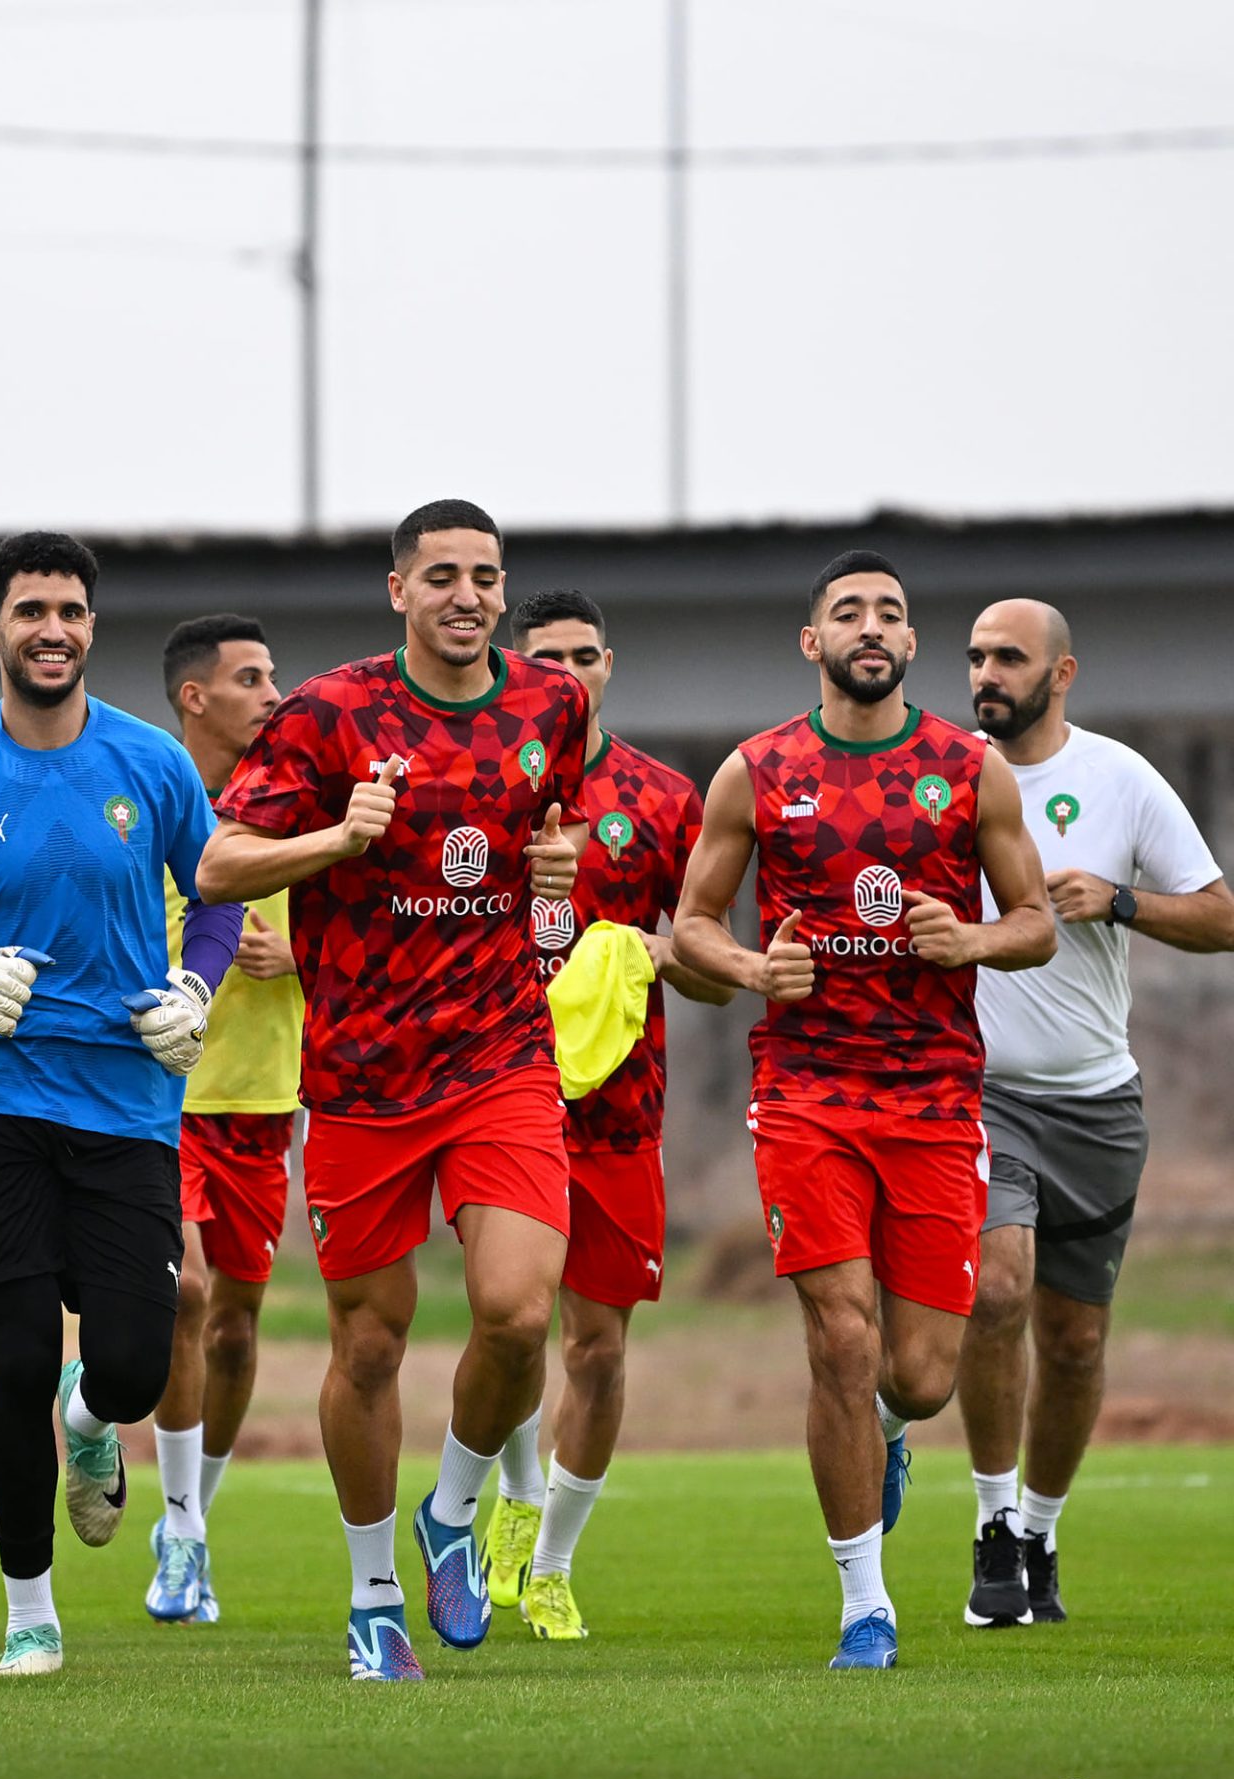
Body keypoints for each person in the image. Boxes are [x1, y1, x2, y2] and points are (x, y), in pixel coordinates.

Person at [199, 500, 590, 1682]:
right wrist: (334, 840)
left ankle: (452, 1512)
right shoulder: (329, 714)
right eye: (442, 576)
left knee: (518, 1312)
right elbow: (218, 864)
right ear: (399, 592)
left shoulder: (553, 705)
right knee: (370, 1345)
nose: (467, 596)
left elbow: (555, 857)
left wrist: (561, 876)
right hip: (362, 1079)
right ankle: (374, 1598)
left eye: (485, 576)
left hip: (500, 1057)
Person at [0, 531, 243, 1678]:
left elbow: (215, 894)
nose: (52, 630)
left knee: (131, 1364)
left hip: (128, 1101)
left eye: (69, 610)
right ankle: (30, 1613)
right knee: (11, 1364)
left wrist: (195, 987)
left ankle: (90, 1421)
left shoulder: (152, 763)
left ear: (91, 626)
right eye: (31, 611)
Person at [672, 550, 1055, 1671]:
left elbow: (1035, 920)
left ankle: (888, 1432)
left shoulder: (970, 768)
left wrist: (970, 938)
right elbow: (692, 923)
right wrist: (755, 969)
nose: (871, 626)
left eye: (890, 612)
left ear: (912, 643)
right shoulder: (757, 769)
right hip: (806, 1093)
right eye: (849, 612)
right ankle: (864, 1607)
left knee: (920, 1376)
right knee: (842, 1338)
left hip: (935, 1096)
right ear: (814, 641)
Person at [956, 600, 1233, 1627]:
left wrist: (1119, 901)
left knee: (1073, 1341)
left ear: (1061, 673)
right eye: (976, 657)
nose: (987, 674)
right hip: (982, 1092)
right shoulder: (946, 778)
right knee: (996, 1290)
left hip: (1098, 1103)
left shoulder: (1120, 778)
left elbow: (1221, 917)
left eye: (1009, 657)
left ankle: (1039, 1531)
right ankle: (992, 1522)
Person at [480, 590, 736, 1640]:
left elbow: (712, 960)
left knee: (597, 1349)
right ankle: (513, 1492)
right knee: (512, 1326)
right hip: (498, 1098)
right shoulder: (480, 783)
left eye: (585, 656)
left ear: (609, 664)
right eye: (548, 659)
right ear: (517, 670)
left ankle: (551, 1563)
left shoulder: (664, 798)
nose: (570, 675)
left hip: (621, 1108)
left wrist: (644, 949)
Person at [144, 615, 301, 1624]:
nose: (273, 695)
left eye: (273, 675)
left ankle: (191, 1521)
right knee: (185, 1293)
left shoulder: (299, 810)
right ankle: (181, 1531)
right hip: (161, 1098)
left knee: (236, 1331)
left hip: (262, 1100)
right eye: (251, 678)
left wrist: (302, 958)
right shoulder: (146, 806)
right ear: (194, 697)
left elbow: (367, 943)